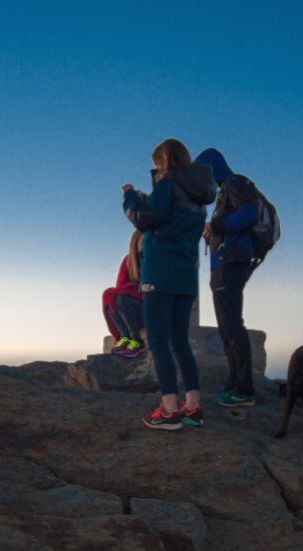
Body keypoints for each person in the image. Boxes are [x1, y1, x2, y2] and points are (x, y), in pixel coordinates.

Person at [122, 138, 215, 430]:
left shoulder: (167, 186)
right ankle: (193, 407)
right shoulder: (199, 197)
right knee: (179, 342)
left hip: (160, 273)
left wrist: (130, 198)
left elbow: (145, 220)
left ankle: (169, 410)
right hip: (186, 277)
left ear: (165, 160)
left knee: (159, 342)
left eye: (156, 162)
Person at [195, 148, 258, 408]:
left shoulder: (234, 183)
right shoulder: (226, 189)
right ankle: (235, 383)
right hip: (226, 264)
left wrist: (216, 225)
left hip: (231, 264)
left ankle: (243, 388)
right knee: (227, 326)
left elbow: (249, 214)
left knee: (232, 326)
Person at [103, 231, 146, 358]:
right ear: (135, 243)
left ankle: (136, 341)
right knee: (110, 296)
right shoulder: (129, 261)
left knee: (122, 298)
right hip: (130, 311)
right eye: (143, 242)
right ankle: (125, 337)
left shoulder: (155, 259)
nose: (146, 245)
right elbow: (120, 287)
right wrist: (133, 290)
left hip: (149, 310)